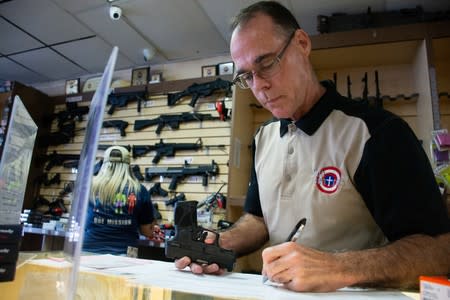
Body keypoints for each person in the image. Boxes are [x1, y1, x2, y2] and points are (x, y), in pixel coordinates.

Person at [175, 0, 450, 292]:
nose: (259, 86)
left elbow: (438, 251)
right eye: (246, 76)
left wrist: (338, 267)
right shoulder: (263, 138)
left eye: (266, 64)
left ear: (302, 44)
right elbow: (258, 219)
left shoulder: (377, 133)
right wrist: (219, 242)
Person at [83, 145, 158, 255]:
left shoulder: (89, 188)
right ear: (128, 165)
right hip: (125, 253)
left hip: (88, 250)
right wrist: (152, 227)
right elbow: (146, 232)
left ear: (104, 164)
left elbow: (81, 223)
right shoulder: (139, 190)